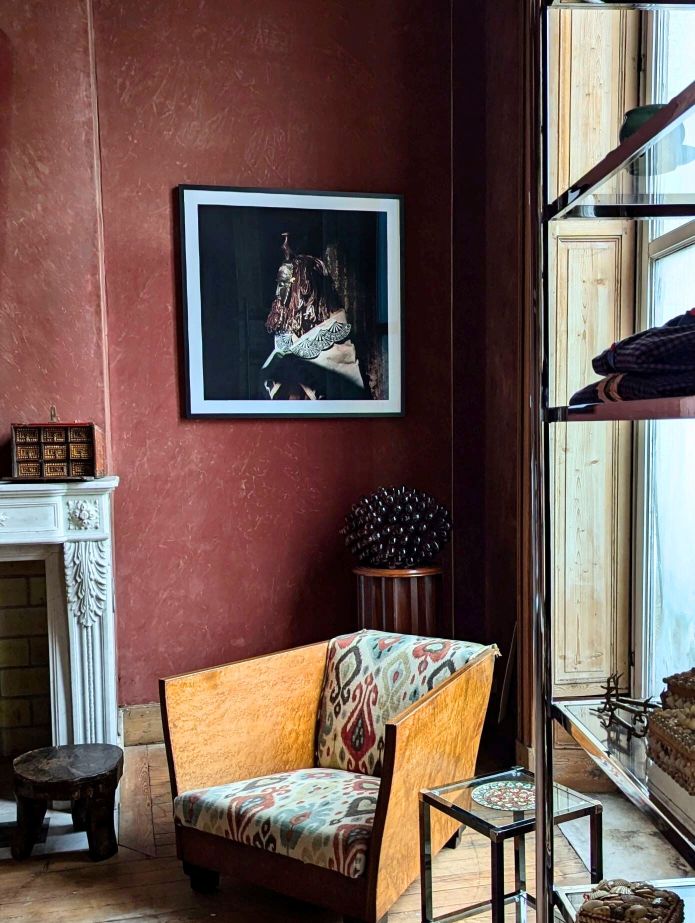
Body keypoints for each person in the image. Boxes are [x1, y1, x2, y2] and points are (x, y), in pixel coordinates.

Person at [261, 233, 367, 400]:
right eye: (278, 284)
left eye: (283, 284)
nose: (277, 292)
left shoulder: (335, 344)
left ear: (303, 288)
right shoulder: (283, 340)